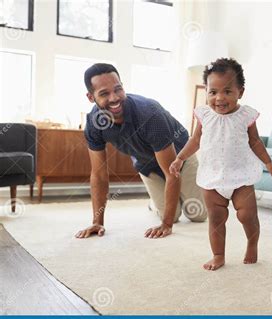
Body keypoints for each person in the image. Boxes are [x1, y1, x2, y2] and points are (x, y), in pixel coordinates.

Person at [169, 58, 272, 270]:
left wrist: (269, 163)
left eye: (227, 91)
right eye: (213, 92)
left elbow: (255, 142)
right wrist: (180, 158)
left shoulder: (245, 115)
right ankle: (218, 255)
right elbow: (195, 140)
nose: (219, 98)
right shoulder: (204, 115)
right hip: (212, 176)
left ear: (240, 91)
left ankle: (252, 242)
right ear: (206, 92)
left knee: (247, 215)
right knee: (216, 219)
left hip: (241, 176)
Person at [75, 63, 207, 240]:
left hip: (180, 159)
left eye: (118, 89)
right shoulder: (94, 123)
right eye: (104, 93)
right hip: (147, 165)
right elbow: (98, 175)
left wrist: (166, 226)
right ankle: (155, 203)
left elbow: (171, 172)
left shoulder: (150, 114)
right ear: (91, 97)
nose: (114, 98)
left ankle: (179, 196)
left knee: (198, 215)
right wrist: (97, 222)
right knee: (173, 216)